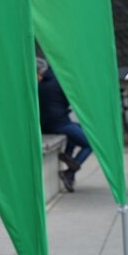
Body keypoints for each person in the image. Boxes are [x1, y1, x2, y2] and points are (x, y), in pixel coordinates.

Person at [36, 56, 91, 193]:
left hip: (50, 124)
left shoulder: (39, 85)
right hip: (58, 124)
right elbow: (71, 99)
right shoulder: (57, 82)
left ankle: (68, 159)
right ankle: (71, 169)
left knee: (76, 129)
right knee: (89, 143)